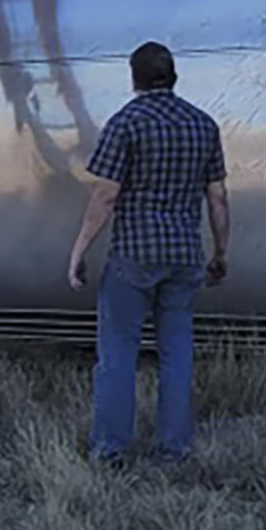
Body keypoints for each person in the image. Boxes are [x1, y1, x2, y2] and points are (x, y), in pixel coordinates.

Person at [68, 41, 229, 464]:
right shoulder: (203, 124)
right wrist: (220, 252)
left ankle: (111, 450)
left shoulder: (126, 123)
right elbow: (217, 198)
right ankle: (176, 449)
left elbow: (105, 197)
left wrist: (80, 249)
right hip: (185, 255)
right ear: (173, 76)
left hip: (134, 255)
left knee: (118, 354)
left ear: (133, 78)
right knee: (177, 355)